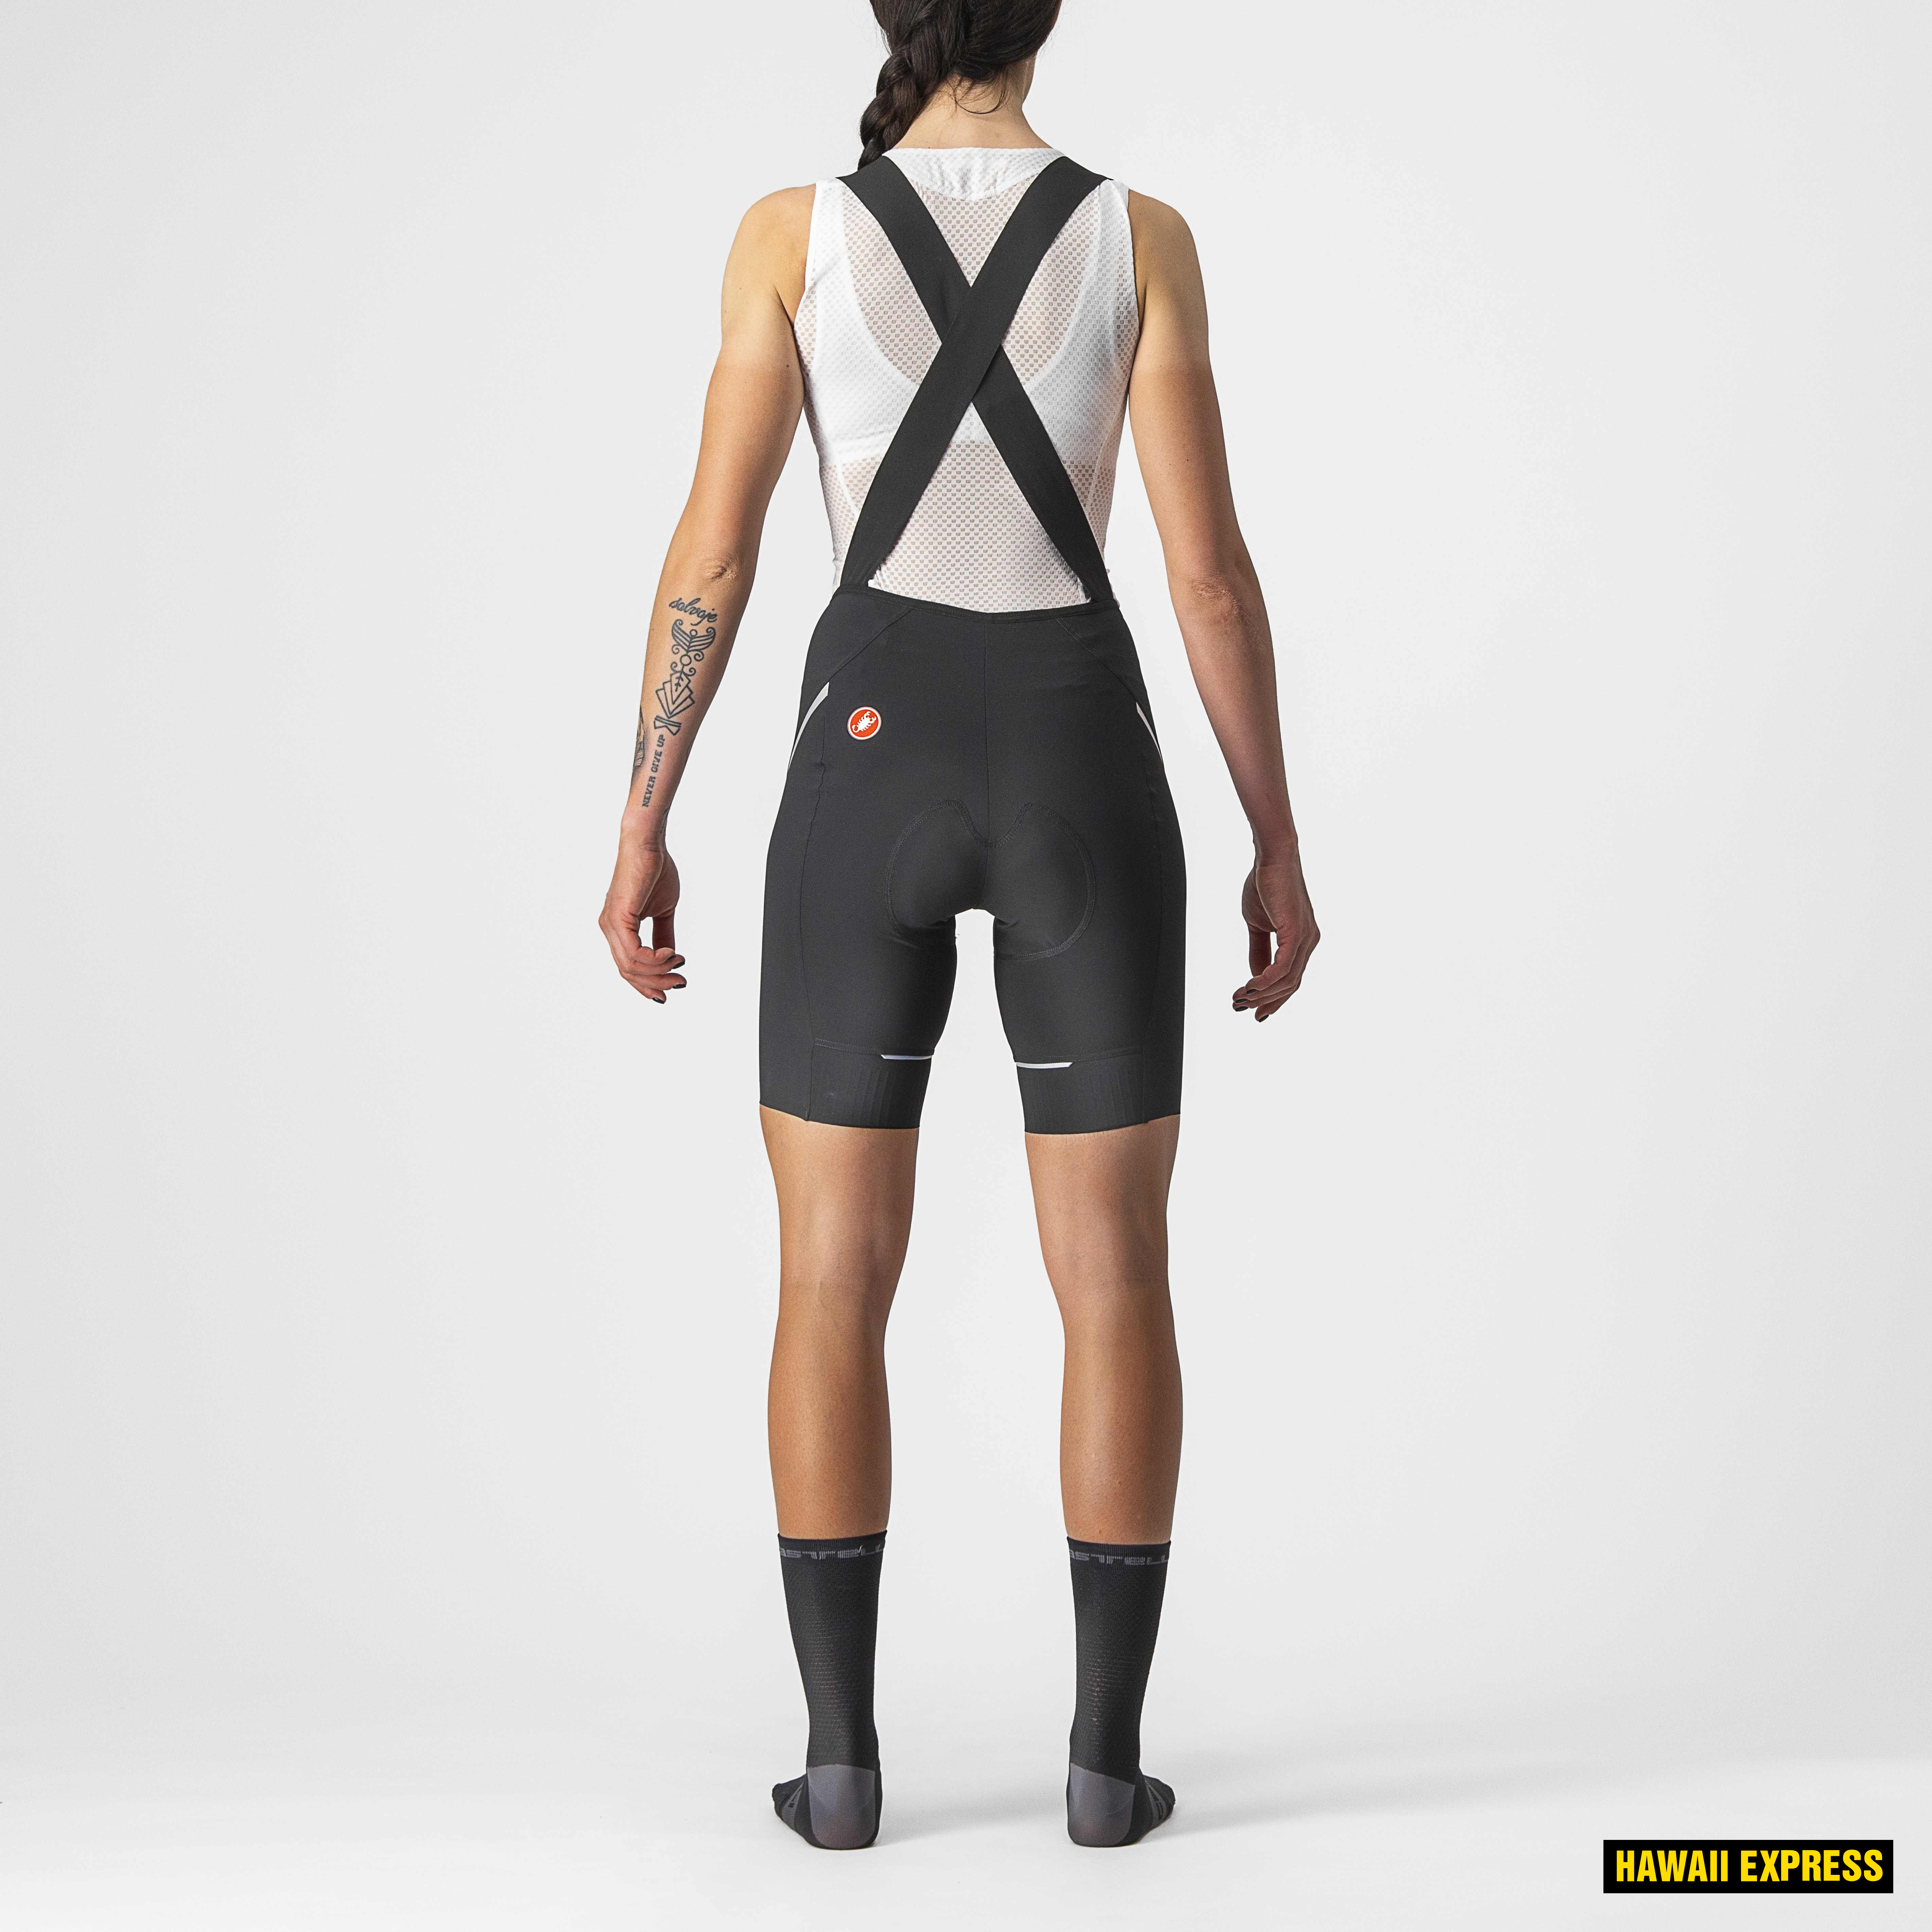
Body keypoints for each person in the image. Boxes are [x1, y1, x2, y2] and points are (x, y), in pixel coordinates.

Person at [598, 0, 1318, 1851]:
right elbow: (1209, 578)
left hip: (867, 763)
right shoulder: (1141, 238)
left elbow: (712, 555)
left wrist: (644, 816)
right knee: (1117, 1273)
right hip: (1084, 756)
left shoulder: (791, 235)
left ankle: (840, 1769)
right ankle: (1104, 1770)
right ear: (1045, 13)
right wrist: (1274, 839)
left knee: (828, 1278)